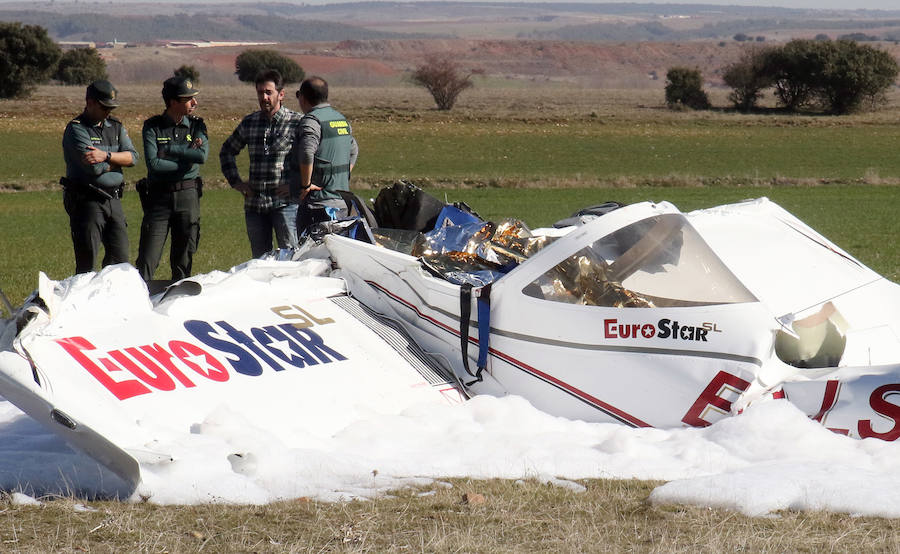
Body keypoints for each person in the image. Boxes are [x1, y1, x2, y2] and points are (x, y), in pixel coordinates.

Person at [219, 69, 304, 258]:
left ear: (281, 94)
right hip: (255, 205)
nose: (264, 97)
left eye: (268, 92)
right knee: (259, 262)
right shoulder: (250, 123)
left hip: (285, 205)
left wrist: (294, 185)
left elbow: (312, 158)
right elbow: (226, 152)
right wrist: (237, 182)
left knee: (291, 257)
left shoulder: (297, 123)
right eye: (260, 92)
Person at [135, 76, 209, 284]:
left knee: (183, 259)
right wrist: (187, 160)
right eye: (189, 99)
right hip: (159, 200)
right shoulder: (153, 127)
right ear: (173, 102)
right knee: (148, 259)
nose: (195, 103)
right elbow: (155, 165)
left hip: (188, 198)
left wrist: (169, 150)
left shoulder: (197, 126)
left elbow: (201, 157)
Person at [61, 79, 139, 274]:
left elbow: (134, 158)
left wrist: (106, 156)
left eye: (111, 107)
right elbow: (93, 169)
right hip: (87, 201)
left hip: (114, 200)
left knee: (120, 261)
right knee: (87, 263)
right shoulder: (77, 129)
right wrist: (119, 162)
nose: (108, 112)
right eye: (104, 107)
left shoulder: (116, 127)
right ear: (90, 103)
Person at [293, 76, 359, 234]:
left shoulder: (311, 121)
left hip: (317, 205)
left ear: (303, 97)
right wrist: (343, 174)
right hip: (342, 204)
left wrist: (305, 184)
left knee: (311, 256)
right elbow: (354, 149)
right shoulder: (341, 120)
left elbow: (307, 152)